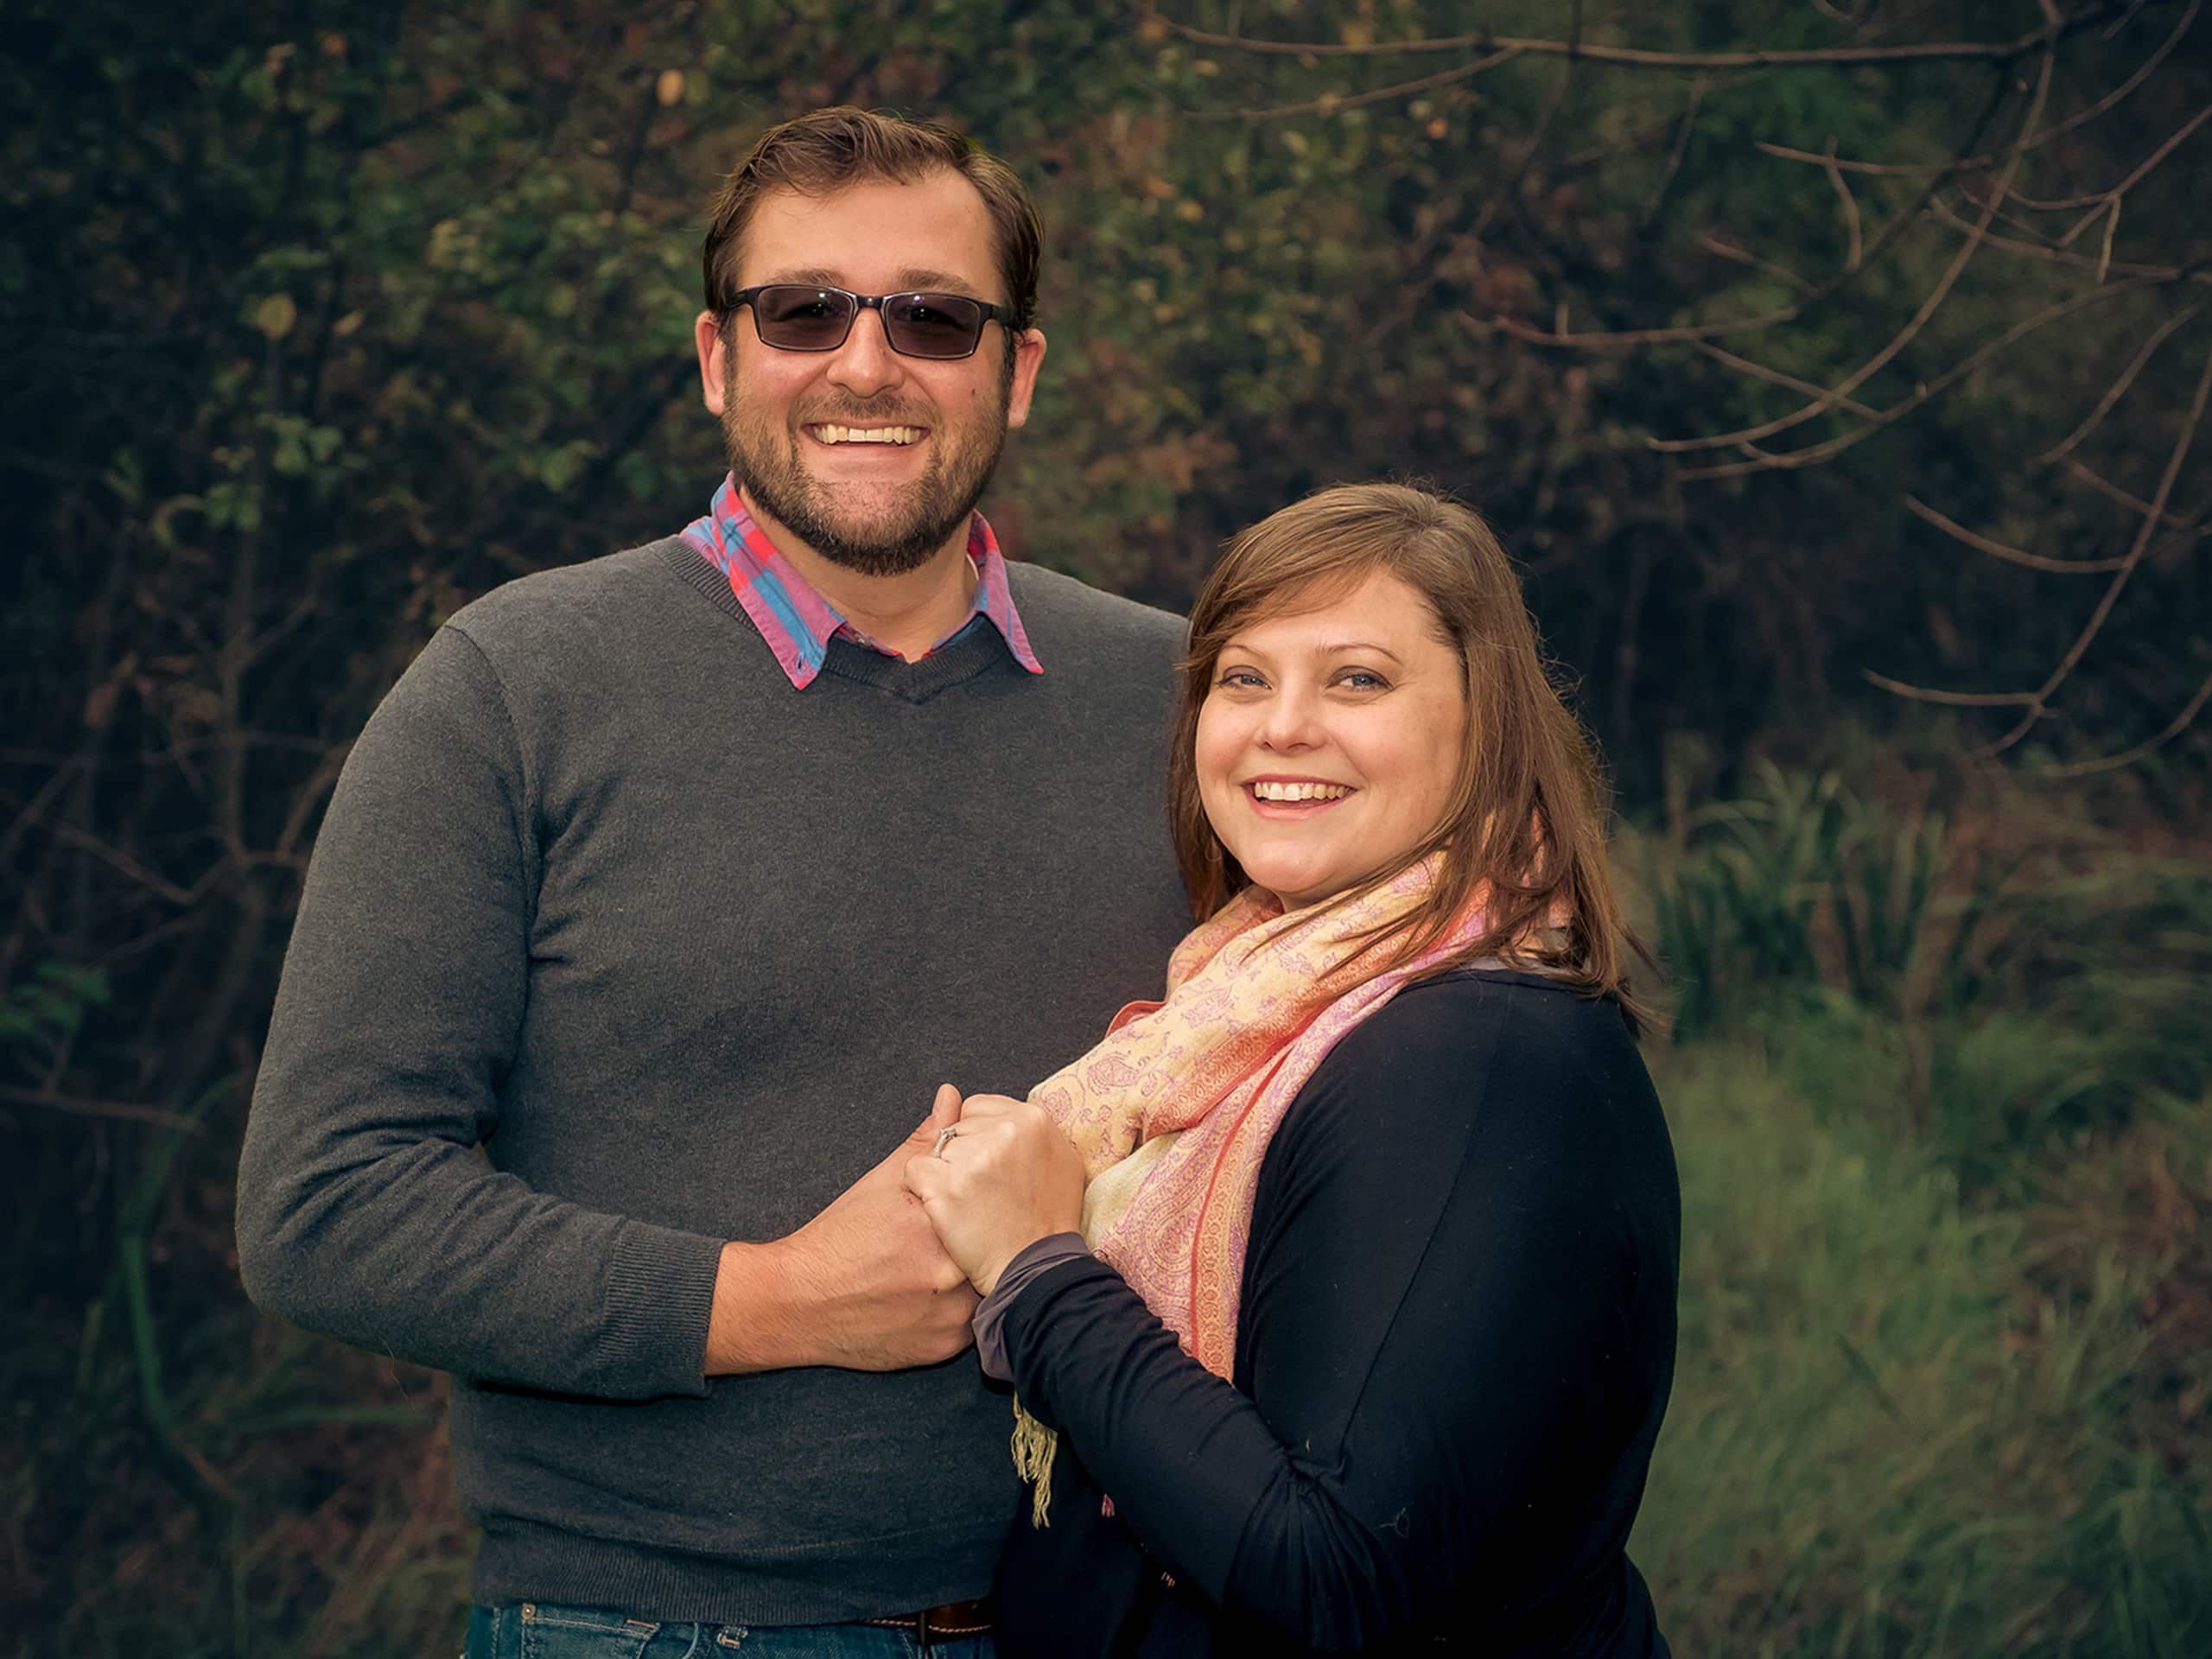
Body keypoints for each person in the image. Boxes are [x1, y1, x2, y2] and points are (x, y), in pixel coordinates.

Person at [233, 107, 1194, 1655]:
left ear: (1016, 370)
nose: (866, 365)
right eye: (802, 311)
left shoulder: (1183, 703)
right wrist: (778, 1300)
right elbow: (324, 1203)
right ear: (717, 358)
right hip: (653, 1625)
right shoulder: (513, 689)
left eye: (933, 319)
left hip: (1123, 1618)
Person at [905, 483, 1681, 1656]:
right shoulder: (1254, 1007)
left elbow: (1332, 1575)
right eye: (1244, 678)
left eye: (1357, 679)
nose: (1283, 727)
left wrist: (1038, 1272)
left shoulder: (1477, 1056)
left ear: (1487, 727)